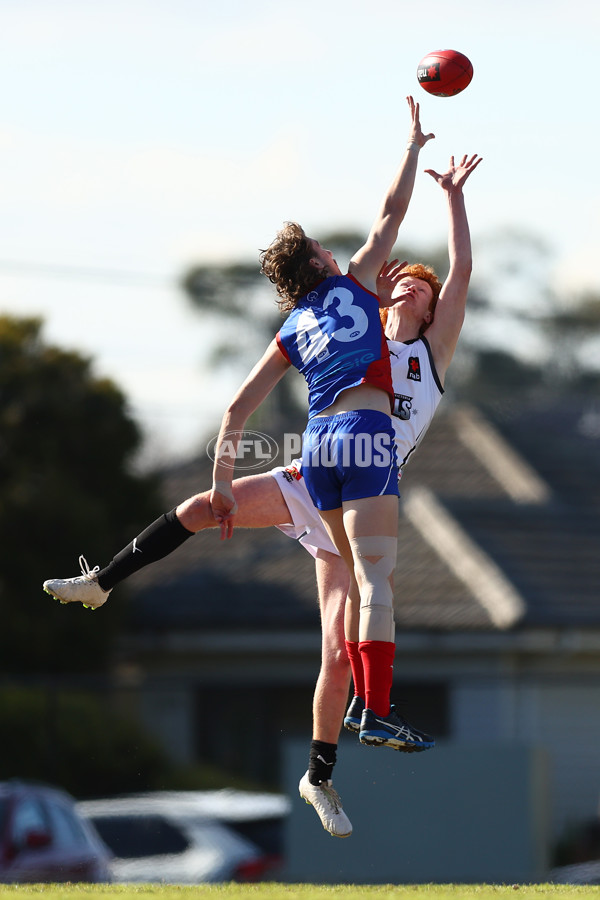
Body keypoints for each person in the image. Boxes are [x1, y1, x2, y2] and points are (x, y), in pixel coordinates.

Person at [43, 119, 481, 837]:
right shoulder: (351, 307)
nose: (401, 280)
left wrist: (444, 191)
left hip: (365, 467)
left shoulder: (432, 351)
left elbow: (439, 259)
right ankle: (102, 581)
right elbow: (387, 225)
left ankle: (321, 777)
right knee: (195, 507)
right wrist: (222, 476)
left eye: (413, 283)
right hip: (322, 467)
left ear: (431, 307)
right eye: (394, 277)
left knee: (337, 646)